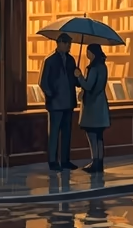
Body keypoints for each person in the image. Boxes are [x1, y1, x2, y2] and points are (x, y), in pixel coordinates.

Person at [40, 35, 79, 171]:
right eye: (67, 43)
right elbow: (43, 81)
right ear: (59, 43)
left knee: (67, 133)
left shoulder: (71, 60)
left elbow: (75, 82)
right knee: (55, 133)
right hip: (56, 103)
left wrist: (78, 76)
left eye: (70, 43)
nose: (69, 46)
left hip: (69, 102)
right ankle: (52, 160)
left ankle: (65, 160)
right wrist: (51, 95)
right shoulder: (50, 60)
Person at [76, 44, 110, 174]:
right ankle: (99, 162)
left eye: (88, 52)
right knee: (99, 136)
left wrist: (79, 76)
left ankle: (94, 161)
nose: (87, 55)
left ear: (93, 53)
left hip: (92, 106)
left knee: (91, 135)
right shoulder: (103, 67)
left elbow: (88, 85)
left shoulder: (93, 68)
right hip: (101, 104)